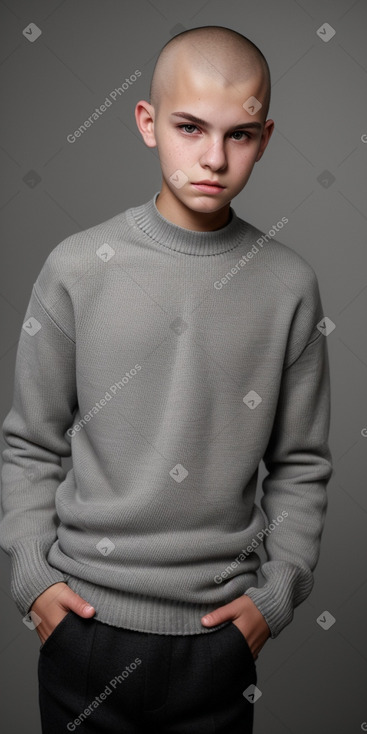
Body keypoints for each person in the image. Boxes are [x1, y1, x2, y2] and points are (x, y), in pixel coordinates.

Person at [0, 24, 333, 734]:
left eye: (239, 135)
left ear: (265, 137)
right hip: (82, 628)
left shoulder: (289, 285)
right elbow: (30, 441)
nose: (213, 157)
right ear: (147, 123)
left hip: (218, 642)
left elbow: (300, 464)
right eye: (190, 127)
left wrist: (277, 593)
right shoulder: (76, 266)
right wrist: (33, 576)